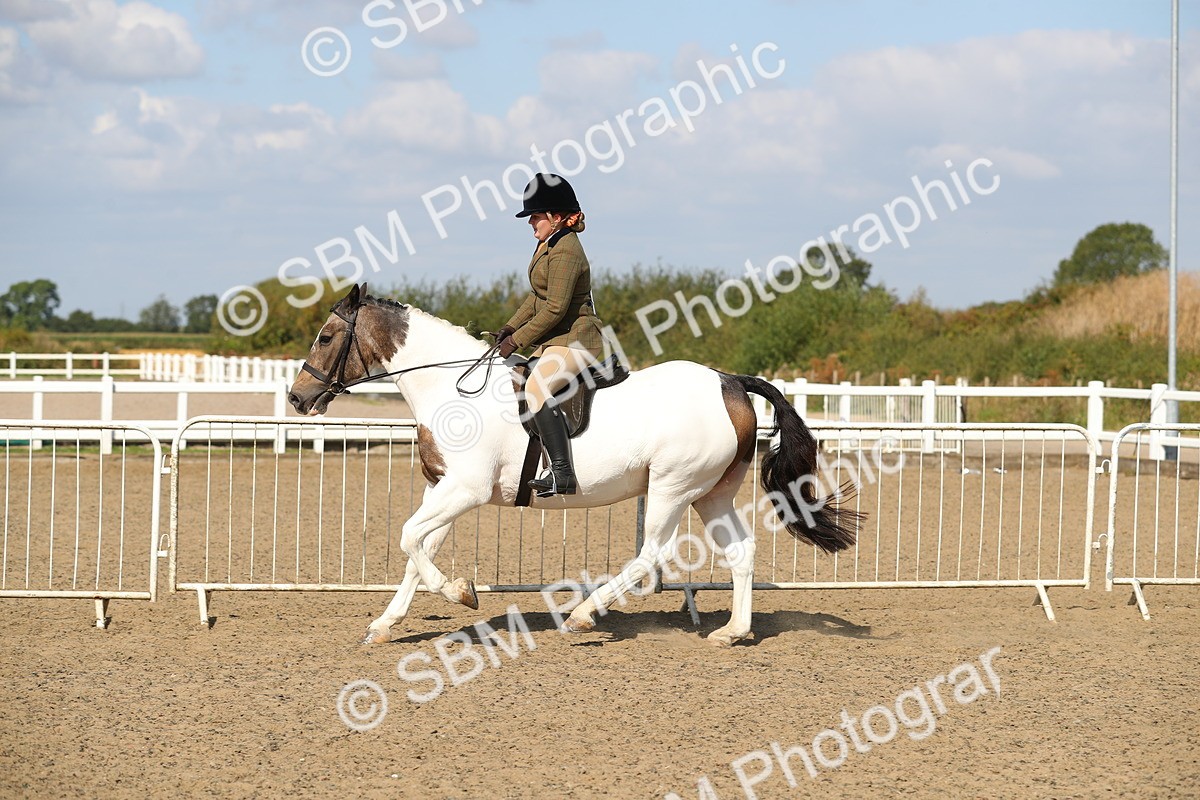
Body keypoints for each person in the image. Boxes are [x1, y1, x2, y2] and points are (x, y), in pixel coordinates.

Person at [495, 173, 605, 497]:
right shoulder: (548, 244)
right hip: (557, 339)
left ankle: (562, 473)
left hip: (577, 338)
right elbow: (537, 297)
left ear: (556, 217)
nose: (531, 222)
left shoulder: (566, 250)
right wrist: (510, 326)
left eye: (536, 216)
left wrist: (518, 340)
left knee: (537, 387)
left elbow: (555, 309)